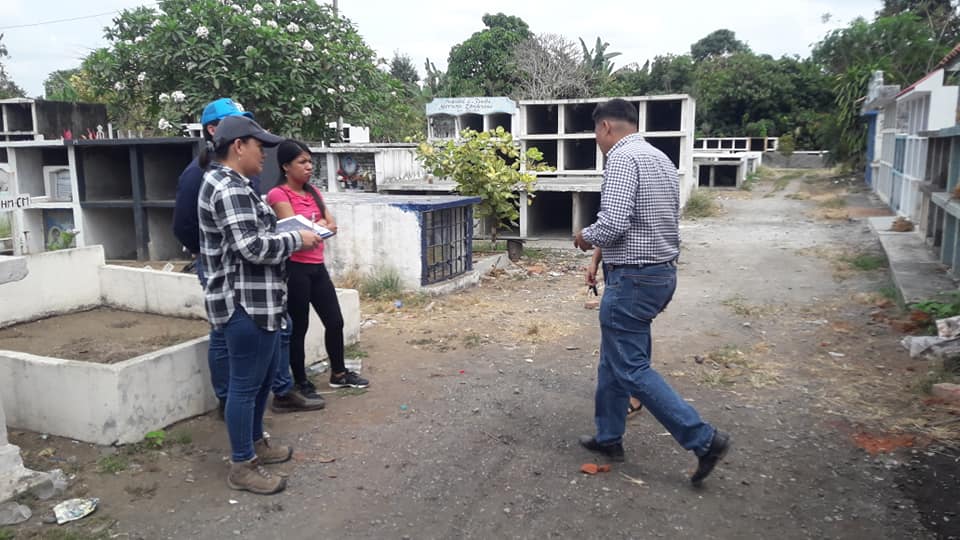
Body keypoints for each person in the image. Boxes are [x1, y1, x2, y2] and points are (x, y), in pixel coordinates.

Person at [573, 98, 730, 485]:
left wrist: (585, 237)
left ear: (606, 127)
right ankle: (609, 437)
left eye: (595, 132)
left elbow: (613, 223)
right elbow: (640, 219)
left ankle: (703, 439)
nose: (597, 140)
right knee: (614, 360)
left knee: (631, 367)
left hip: (633, 281)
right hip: (658, 275)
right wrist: (597, 258)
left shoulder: (621, 158)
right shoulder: (660, 158)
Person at [173, 98, 325, 415]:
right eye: (243, 129)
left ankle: (278, 390)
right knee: (228, 340)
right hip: (229, 271)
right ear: (218, 133)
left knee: (278, 329)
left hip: (255, 272)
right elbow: (185, 226)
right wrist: (212, 253)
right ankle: (229, 401)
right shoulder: (202, 175)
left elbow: (251, 225)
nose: (259, 148)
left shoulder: (241, 175)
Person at [198, 115, 324, 494]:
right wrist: (297, 240)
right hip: (244, 303)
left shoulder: (237, 184)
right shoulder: (228, 188)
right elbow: (251, 247)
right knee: (244, 386)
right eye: (259, 147)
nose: (265, 155)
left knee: (261, 382)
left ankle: (255, 444)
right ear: (238, 146)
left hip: (260, 300)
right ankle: (242, 464)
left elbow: (254, 235)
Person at [267, 139, 369, 393]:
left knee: (335, 321)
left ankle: (339, 373)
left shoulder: (313, 192)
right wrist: (318, 227)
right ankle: (300, 381)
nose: (309, 167)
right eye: (302, 162)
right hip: (295, 268)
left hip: (317, 266)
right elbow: (295, 232)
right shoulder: (279, 194)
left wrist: (316, 229)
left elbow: (332, 225)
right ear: (285, 166)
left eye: (310, 162)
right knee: (299, 327)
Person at [586, 247, 643, 419]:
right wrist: (594, 261)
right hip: (616, 270)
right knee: (612, 343)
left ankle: (636, 395)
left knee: (629, 340)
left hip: (632, 272)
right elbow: (608, 237)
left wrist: (584, 236)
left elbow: (610, 230)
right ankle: (611, 415)